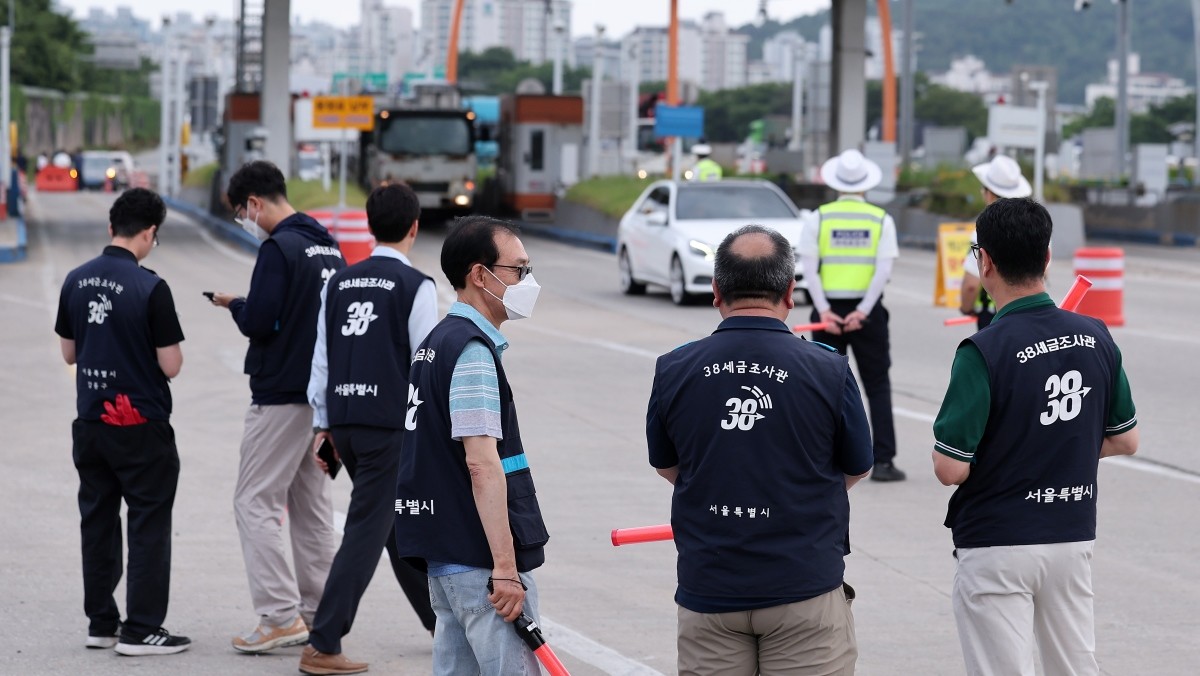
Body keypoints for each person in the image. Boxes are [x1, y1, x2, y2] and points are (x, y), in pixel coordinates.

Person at [646, 225, 874, 675]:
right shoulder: (828, 369)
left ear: (716, 291)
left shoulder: (675, 368)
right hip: (803, 587)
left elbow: (668, 465)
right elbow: (857, 468)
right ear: (791, 291)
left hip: (710, 588)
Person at [932, 198, 1139, 676]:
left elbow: (949, 468)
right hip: (1071, 533)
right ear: (1047, 258)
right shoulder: (1096, 335)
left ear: (983, 261)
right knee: (1075, 667)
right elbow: (1126, 439)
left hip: (997, 540)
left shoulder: (982, 350)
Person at [393, 215, 549, 675]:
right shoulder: (472, 353)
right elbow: (481, 464)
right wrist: (505, 567)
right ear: (480, 275)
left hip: (444, 557)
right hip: (480, 563)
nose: (527, 280)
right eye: (518, 269)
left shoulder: (435, 343)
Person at [301, 183, 439, 675]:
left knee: (394, 525)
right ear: (415, 228)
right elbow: (427, 365)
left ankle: (439, 622)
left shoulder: (338, 282)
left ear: (370, 224)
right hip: (389, 429)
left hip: (345, 424)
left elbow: (321, 359)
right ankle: (323, 640)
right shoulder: (417, 286)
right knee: (367, 528)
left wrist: (323, 426)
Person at [209, 160, 345, 653]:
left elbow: (261, 321)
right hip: (321, 398)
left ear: (255, 203)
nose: (245, 220)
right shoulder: (328, 246)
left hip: (281, 395)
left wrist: (236, 305)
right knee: (310, 506)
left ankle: (278, 615)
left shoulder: (278, 248)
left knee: (254, 501)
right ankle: (319, 612)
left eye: (242, 212)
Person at [54, 188, 191, 655]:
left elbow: (69, 353)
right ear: (150, 233)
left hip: (90, 422)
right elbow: (170, 365)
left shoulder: (75, 279)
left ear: (111, 226)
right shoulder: (151, 287)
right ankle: (142, 629)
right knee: (148, 521)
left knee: (97, 521)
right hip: (140, 425)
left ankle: (101, 623)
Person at [800, 148, 905, 482]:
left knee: (826, 388)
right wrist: (862, 311)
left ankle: (824, 458)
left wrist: (826, 311)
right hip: (868, 313)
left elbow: (809, 270)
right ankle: (884, 462)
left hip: (827, 312)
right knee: (877, 384)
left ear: (834, 183)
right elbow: (882, 272)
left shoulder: (819, 218)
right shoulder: (879, 219)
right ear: (865, 185)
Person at [959, 155, 1032, 330]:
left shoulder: (983, 231)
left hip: (995, 317)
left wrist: (966, 308)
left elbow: (971, 285)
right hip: (1032, 315)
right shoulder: (1037, 226)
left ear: (990, 193)